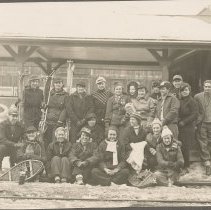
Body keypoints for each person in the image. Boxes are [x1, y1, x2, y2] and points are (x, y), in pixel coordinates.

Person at [42, 77, 68, 149]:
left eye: (59, 83)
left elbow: (65, 109)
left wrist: (60, 120)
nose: (58, 84)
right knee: (46, 139)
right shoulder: (50, 94)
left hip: (57, 121)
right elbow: (45, 105)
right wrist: (44, 106)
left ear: (62, 84)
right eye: (56, 83)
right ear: (54, 84)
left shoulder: (65, 95)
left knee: (55, 139)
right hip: (48, 121)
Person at [178, 83, 198, 175]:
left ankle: (186, 166)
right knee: (180, 145)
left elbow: (194, 114)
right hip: (180, 126)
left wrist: (184, 122)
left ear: (189, 91)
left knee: (186, 146)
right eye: (183, 90)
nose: (184, 92)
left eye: (186, 90)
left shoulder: (192, 101)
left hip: (188, 127)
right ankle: (180, 165)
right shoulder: (180, 100)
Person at [194, 80, 211, 175]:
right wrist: (197, 121)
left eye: (209, 87)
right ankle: (207, 163)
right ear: (203, 87)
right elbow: (195, 110)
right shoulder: (198, 97)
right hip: (202, 123)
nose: (208, 88)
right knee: (203, 142)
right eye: (206, 86)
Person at [0, 105, 24, 170]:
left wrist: (23, 143)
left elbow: (24, 136)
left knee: (22, 150)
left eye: (16, 116)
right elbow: (2, 139)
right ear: (8, 116)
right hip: (5, 146)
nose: (15, 118)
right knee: (1, 148)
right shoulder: (2, 125)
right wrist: (14, 144)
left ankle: (16, 169)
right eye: (13, 116)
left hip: (15, 148)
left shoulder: (20, 125)